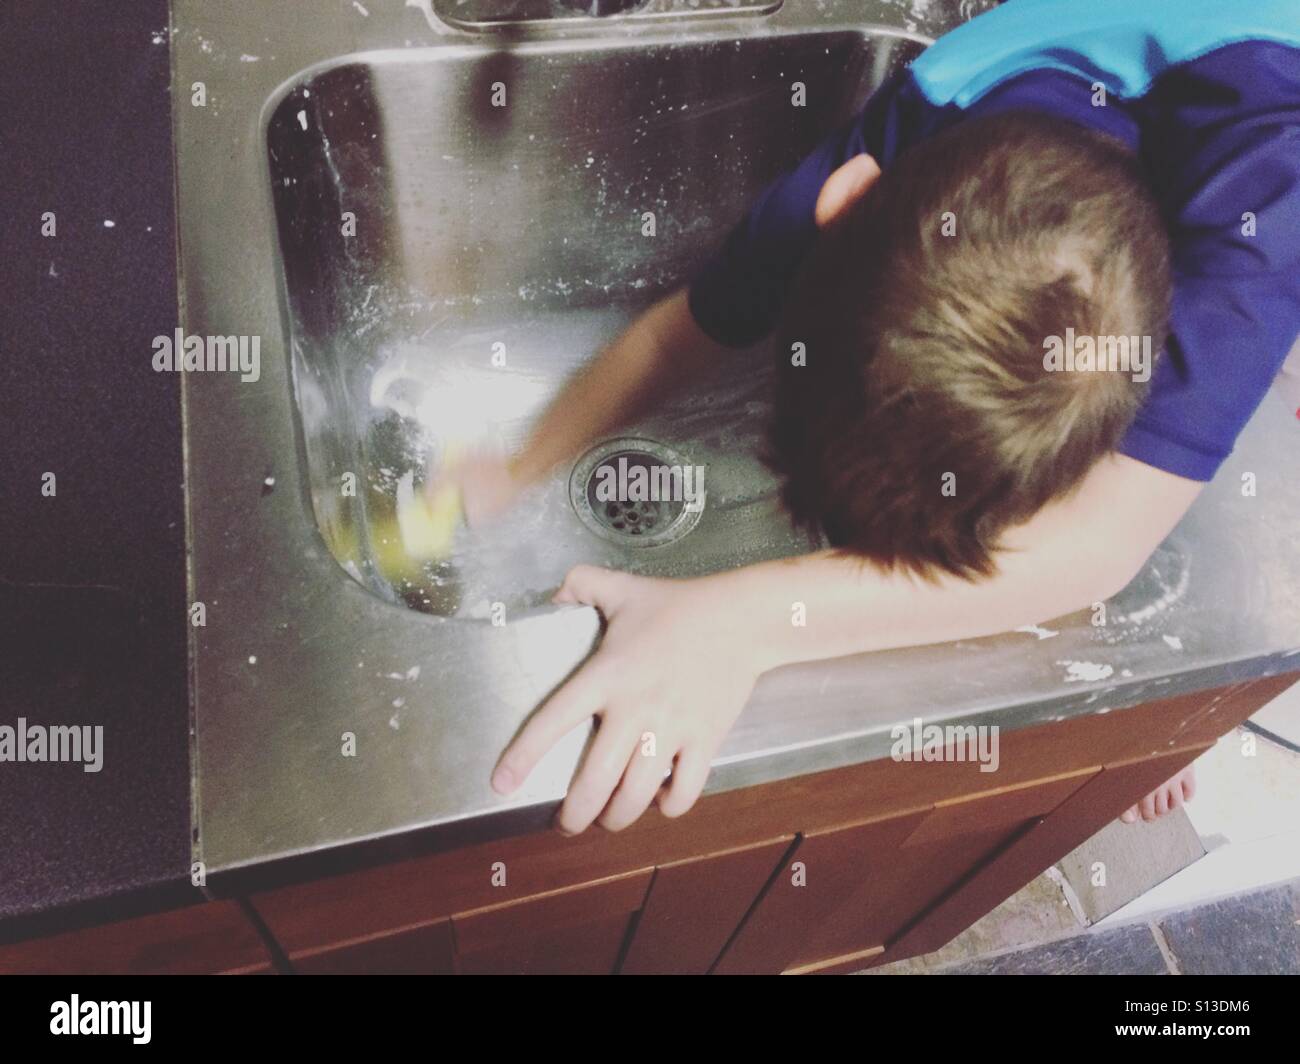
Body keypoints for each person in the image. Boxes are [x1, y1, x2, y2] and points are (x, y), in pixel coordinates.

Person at [440, 0, 1300, 834]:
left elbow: (1099, 548)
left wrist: (742, 622)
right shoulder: (921, 113)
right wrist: (521, 466)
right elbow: (675, 341)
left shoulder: (1262, 231)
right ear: (843, 198)